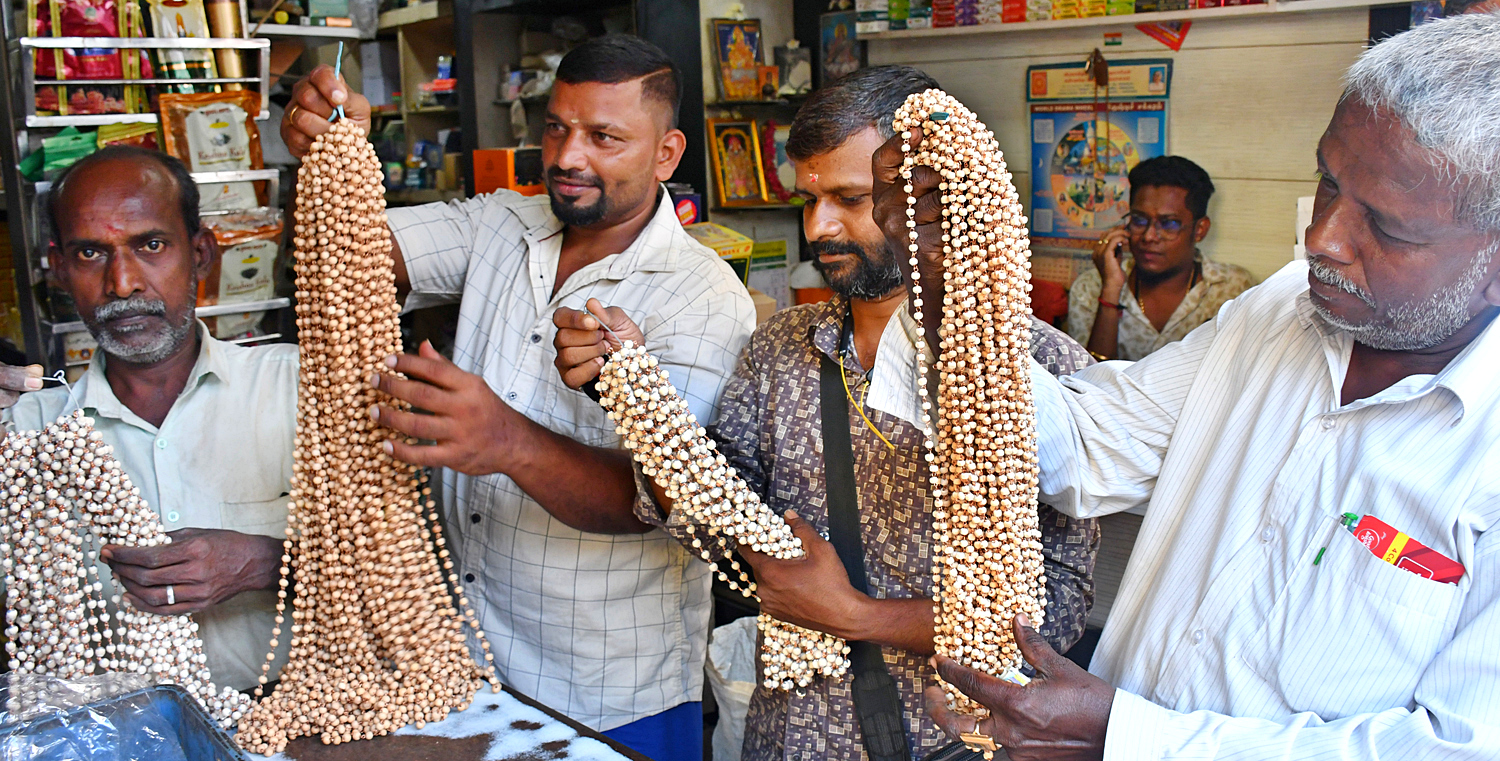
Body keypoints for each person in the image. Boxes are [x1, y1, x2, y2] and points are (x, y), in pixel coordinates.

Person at [869, 13, 1500, 760]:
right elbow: (1078, 443)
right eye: (1327, 180)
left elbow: (1454, 746)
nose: (1322, 237)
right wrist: (950, 280)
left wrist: (1125, 737)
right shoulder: (1277, 312)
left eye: (1386, 229)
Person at [554, 66, 1100, 760]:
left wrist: (856, 616)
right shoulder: (782, 347)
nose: (820, 226)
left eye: (850, 198)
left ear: (933, 197)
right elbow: (715, 524)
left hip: (953, 740)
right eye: (810, 199)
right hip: (792, 736)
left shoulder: (1042, 370)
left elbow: (1055, 607)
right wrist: (631, 391)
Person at [283, 34, 755, 761]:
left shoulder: (705, 296)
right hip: (454, 664)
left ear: (666, 154)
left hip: (610, 692)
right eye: (559, 127)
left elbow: (669, 504)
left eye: (605, 137)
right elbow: (349, 249)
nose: (568, 157)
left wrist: (507, 441)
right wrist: (330, 154)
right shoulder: (502, 224)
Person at [2, 147, 295, 691]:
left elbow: (406, 577)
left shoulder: (297, 388)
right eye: (91, 253)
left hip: (300, 725)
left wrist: (266, 564)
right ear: (59, 269)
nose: (123, 283)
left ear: (202, 253)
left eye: (151, 245)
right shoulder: (24, 432)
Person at [1066, 156, 1254, 361]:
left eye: (1169, 224)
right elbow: (1086, 381)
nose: (1148, 236)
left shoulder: (1234, 289)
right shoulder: (1090, 287)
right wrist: (1110, 291)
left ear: (1200, 230)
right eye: (1139, 220)